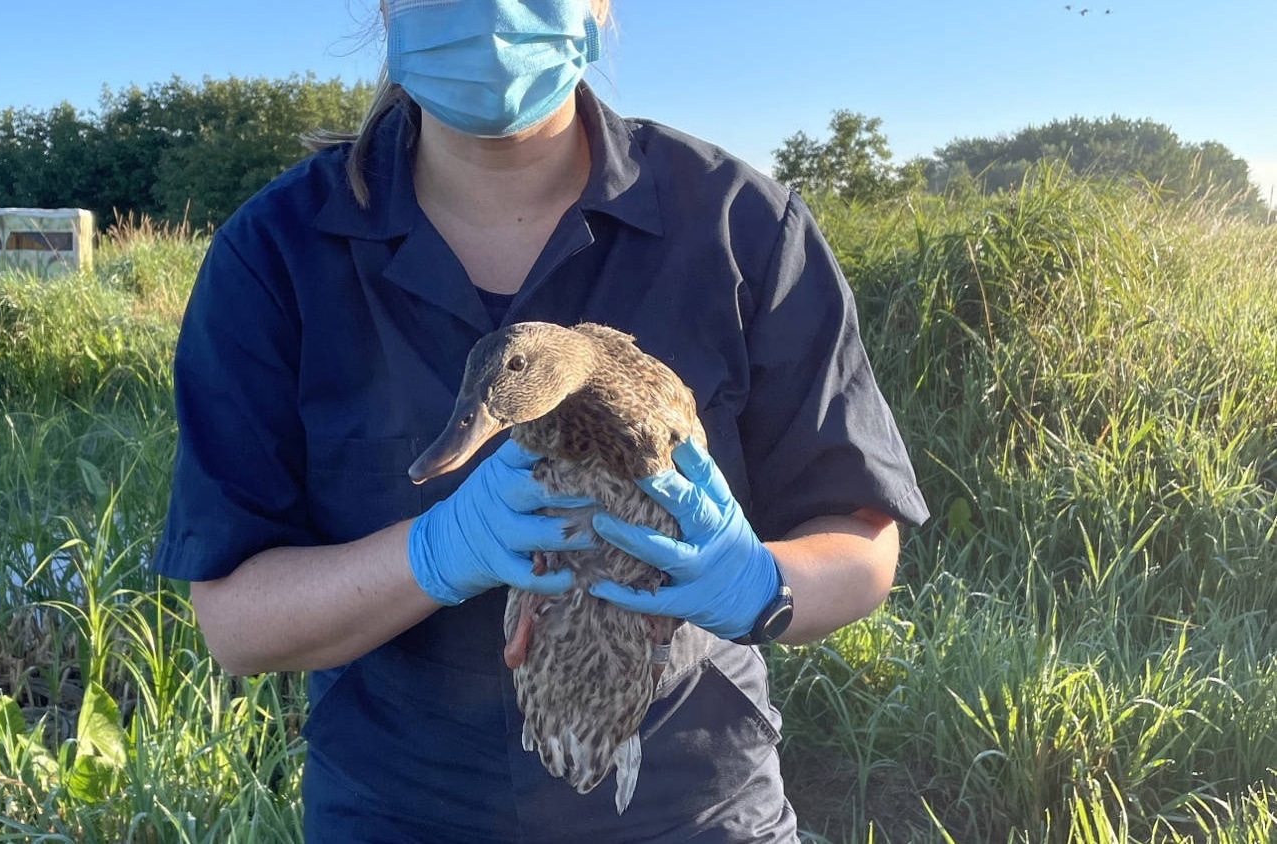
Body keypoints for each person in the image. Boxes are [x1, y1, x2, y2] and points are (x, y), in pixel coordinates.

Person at [150, 0, 930, 840]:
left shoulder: (742, 228)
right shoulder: (273, 255)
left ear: (597, 9)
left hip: (691, 806)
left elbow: (861, 543)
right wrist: (435, 553)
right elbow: (233, 623)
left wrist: (760, 587)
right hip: (404, 809)